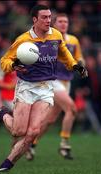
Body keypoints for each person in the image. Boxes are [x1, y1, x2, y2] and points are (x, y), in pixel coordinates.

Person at [0, 4, 87, 173]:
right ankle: (3, 113)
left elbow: (63, 52)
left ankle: (7, 164)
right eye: (44, 17)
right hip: (26, 86)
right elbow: (4, 61)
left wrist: (75, 66)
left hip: (47, 87)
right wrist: (14, 64)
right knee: (18, 131)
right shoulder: (23, 40)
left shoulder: (55, 35)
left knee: (33, 132)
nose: (48, 20)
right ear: (35, 20)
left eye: (49, 17)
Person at [25, 13, 84, 160]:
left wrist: (81, 63)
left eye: (66, 21)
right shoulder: (50, 39)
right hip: (53, 80)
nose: (64, 24)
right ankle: (64, 145)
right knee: (71, 108)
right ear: (54, 24)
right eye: (61, 21)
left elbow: (79, 57)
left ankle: (30, 144)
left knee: (50, 120)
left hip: (67, 82)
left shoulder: (73, 40)